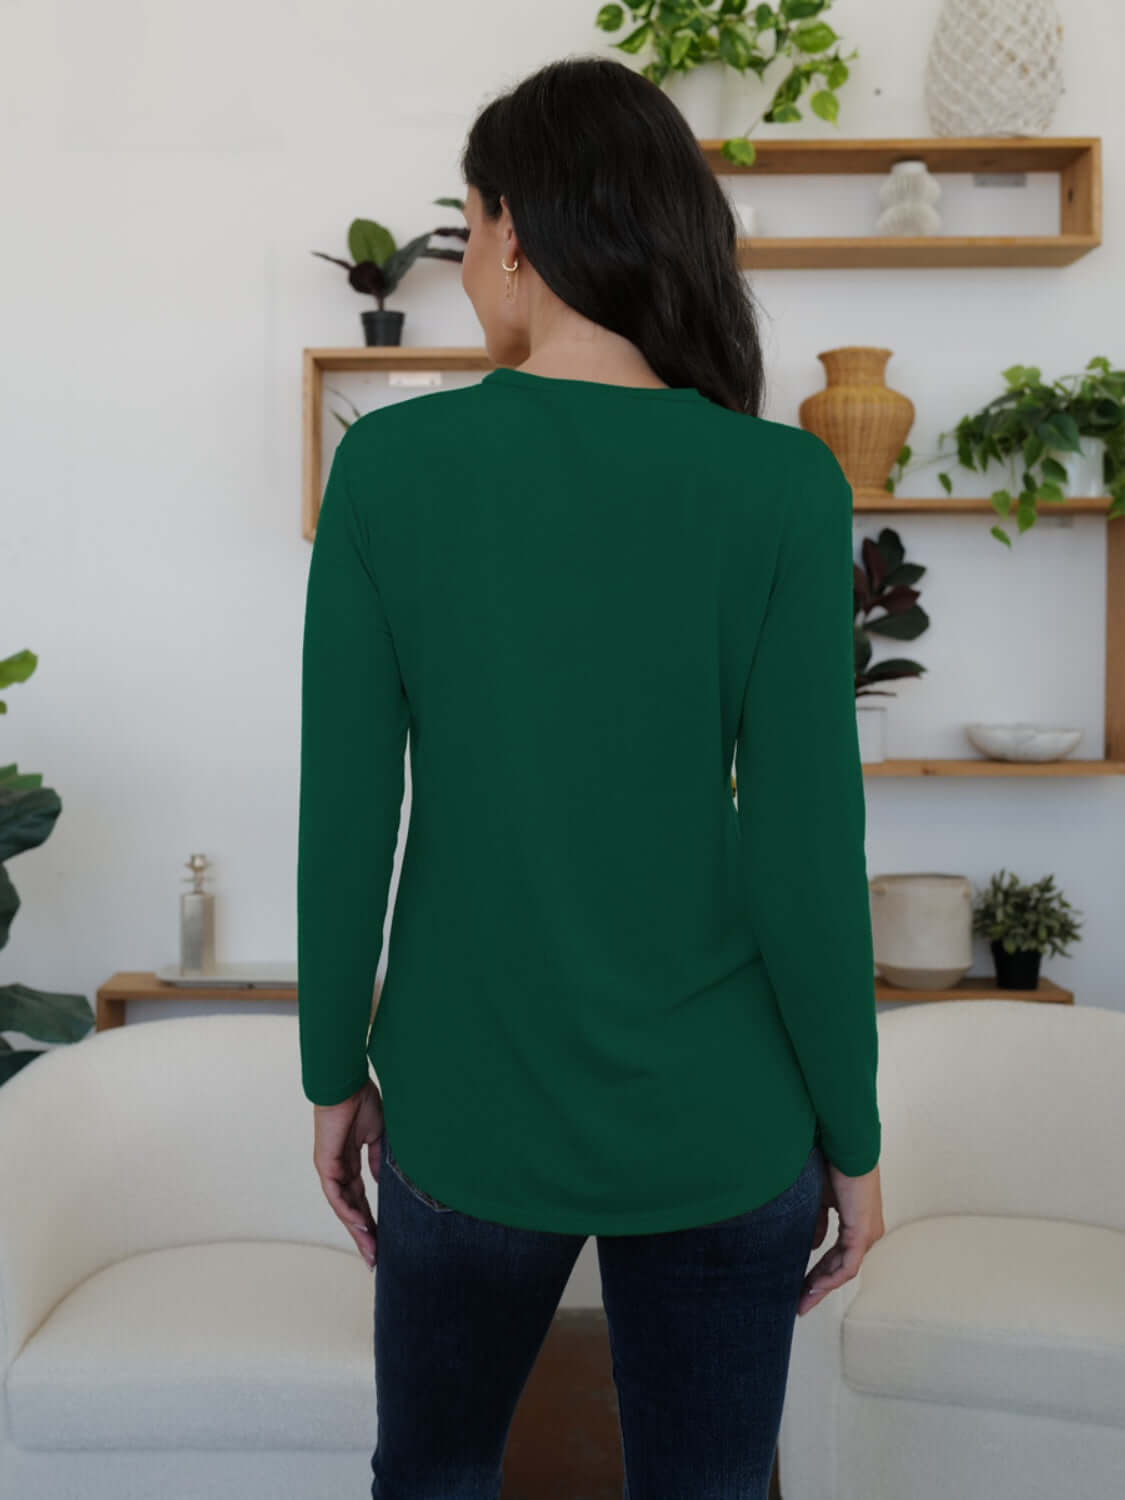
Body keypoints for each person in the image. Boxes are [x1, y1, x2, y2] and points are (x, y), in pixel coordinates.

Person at [297, 53, 885, 1500]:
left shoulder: (390, 470)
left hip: (465, 1104)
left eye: (468, 223)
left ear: (516, 228)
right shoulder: (783, 486)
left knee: (428, 1478)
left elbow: (346, 810)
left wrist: (330, 1070)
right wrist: (853, 1141)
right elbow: (805, 851)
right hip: (723, 1115)